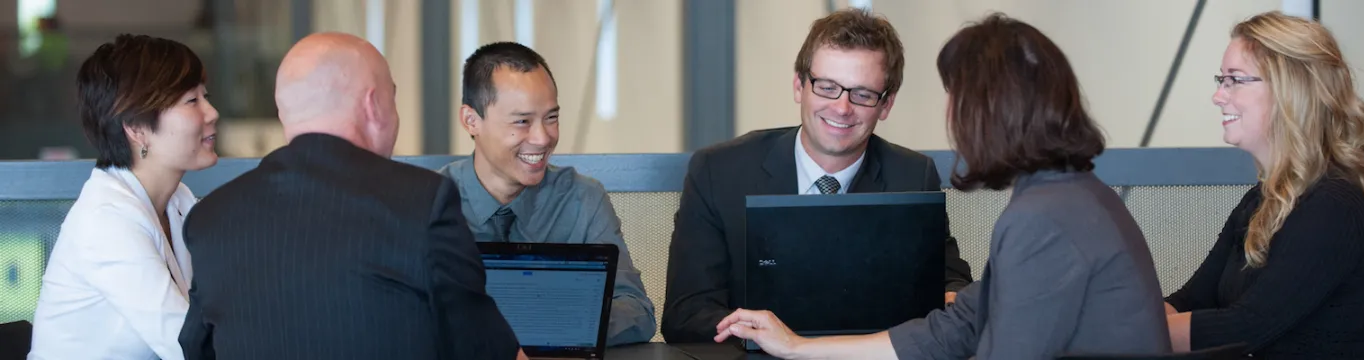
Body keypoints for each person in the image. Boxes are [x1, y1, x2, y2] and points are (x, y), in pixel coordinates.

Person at [714, 13, 1172, 359]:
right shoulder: (1069, 194)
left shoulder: (1044, 218)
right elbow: (962, 323)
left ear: (989, 110)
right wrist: (798, 347)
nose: (949, 112)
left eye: (954, 95)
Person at [177, 32, 523, 360]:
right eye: (393, 97)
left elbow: (195, 348)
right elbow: (484, 348)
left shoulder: (211, 218)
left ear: (285, 114)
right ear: (373, 105)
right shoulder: (421, 201)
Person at [660, 8, 975, 343]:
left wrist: (951, 303)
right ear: (799, 86)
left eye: (863, 94)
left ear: (886, 105)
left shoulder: (913, 175)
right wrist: (775, 340)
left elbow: (951, 284)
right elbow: (686, 314)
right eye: (827, 87)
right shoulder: (718, 171)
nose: (841, 108)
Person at [1163, 11, 1364, 359]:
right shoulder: (1260, 201)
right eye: (1220, 80)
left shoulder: (1333, 206)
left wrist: (1123, 329)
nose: (1218, 97)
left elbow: (1246, 328)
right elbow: (1191, 301)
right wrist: (1126, 320)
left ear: (1289, 88)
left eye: (1234, 80)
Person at [438, 41, 657, 345]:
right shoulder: (428, 204)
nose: (543, 138)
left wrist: (544, 321)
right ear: (471, 120)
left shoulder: (582, 199)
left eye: (551, 118)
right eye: (522, 121)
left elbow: (637, 313)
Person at [28, 34, 216, 360]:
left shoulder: (177, 201)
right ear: (136, 128)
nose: (211, 112)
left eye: (206, 97)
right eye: (191, 101)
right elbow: (189, 347)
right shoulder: (106, 220)